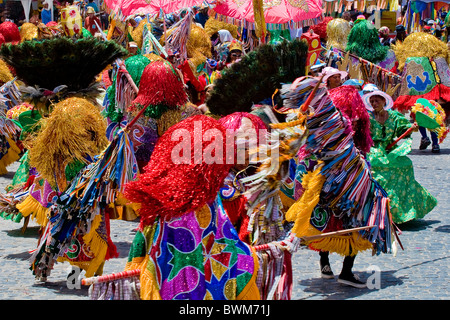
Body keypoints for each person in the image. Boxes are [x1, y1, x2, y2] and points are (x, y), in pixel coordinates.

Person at [363, 89, 438, 224]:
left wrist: (412, 127)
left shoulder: (394, 116)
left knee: (405, 164)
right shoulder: (367, 117)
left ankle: (402, 209)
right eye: (372, 101)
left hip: (390, 150)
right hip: (373, 150)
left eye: (377, 101)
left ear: (384, 101)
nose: (374, 103)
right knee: (377, 168)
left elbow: (404, 129)